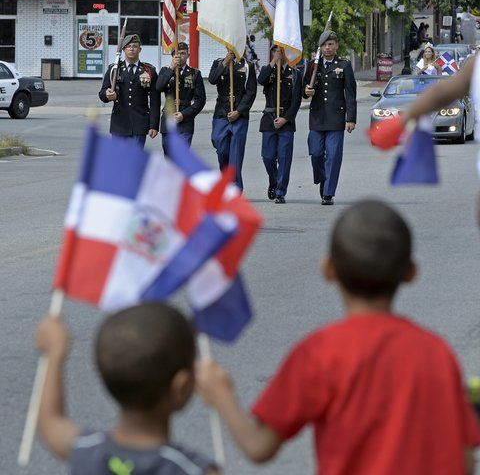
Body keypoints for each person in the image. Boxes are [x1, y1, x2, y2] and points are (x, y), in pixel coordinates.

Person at [197, 200, 480, 474]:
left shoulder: (318, 352)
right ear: (411, 273)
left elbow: (258, 446)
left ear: (328, 269)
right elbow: (464, 461)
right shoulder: (435, 352)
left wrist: (221, 394)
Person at [35, 302, 219, 474]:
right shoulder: (190, 469)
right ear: (182, 387)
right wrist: (224, 400)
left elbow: (49, 422)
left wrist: (54, 354)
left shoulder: (86, 450)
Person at [303, 31, 357, 205]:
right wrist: (307, 91)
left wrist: (351, 118)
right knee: (316, 154)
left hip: (335, 118)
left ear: (336, 45)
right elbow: (303, 90)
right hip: (317, 117)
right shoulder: (313, 65)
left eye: (331, 44)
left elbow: (350, 93)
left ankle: (328, 193)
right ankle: (323, 178)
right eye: (325, 44)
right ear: (320, 47)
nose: (328, 47)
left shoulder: (344, 65)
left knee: (333, 156)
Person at [258, 46, 302, 204]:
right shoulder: (268, 69)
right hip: (269, 118)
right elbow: (261, 80)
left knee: (284, 158)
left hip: (286, 120)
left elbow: (297, 101)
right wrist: (273, 62)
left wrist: (286, 119)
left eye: (281, 50)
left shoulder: (295, 73)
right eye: (275, 50)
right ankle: (274, 180)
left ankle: (280, 191)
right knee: (268, 157)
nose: (278, 53)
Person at [99, 34, 160, 148]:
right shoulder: (114, 69)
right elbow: (102, 93)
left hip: (140, 123)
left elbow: (155, 100)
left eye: (135, 46)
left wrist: (154, 125)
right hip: (119, 123)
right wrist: (107, 95)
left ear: (140, 49)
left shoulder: (149, 70)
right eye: (128, 46)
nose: (131, 48)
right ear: (123, 49)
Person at [208, 48, 257, 191]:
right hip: (221, 112)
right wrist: (225, 62)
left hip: (239, 113)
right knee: (220, 147)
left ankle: (234, 188)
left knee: (235, 153)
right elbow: (212, 79)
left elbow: (251, 92)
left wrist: (239, 111)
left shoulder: (248, 66)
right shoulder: (218, 63)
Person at [156, 42, 206, 155]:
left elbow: (200, 100)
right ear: (173, 56)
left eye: (183, 53)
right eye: (177, 54)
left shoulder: (195, 74)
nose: (180, 56)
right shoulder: (165, 71)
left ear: (188, 55)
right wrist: (171, 68)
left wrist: (184, 114)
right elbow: (159, 87)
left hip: (185, 120)